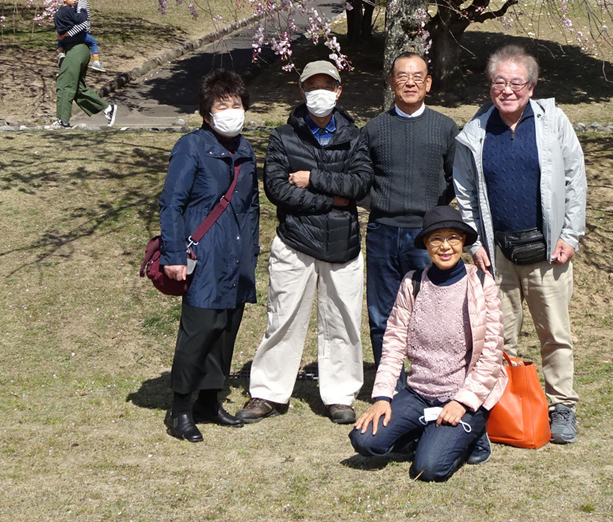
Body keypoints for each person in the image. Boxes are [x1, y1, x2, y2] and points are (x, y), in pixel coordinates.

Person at [452, 44, 586, 445]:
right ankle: (504, 407)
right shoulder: (475, 132)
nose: (507, 90)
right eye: (499, 82)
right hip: (496, 255)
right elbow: (464, 191)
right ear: (489, 85)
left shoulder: (553, 121)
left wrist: (570, 235)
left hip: (548, 251)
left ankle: (562, 406)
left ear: (531, 86)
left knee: (554, 333)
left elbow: (575, 179)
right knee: (498, 337)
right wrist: (474, 242)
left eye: (516, 82)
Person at [237, 60, 373, 425]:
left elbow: (360, 184)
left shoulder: (355, 136)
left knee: (343, 322)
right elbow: (277, 189)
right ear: (302, 91)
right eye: (312, 86)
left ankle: (340, 394)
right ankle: (268, 391)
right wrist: (333, 199)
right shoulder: (284, 136)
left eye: (327, 86)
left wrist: (312, 178)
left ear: (339, 91)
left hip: (342, 245)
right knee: (283, 318)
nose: (319, 93)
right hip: (295, 241)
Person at [349, 206, 506, 482]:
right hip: (418, 393)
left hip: (462, 395)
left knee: (430, 468)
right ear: (426, 243)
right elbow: (394, 343)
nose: (445, 246)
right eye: (436, 239)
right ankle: (429, 433)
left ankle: (473, 435)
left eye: (453, 238)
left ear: (463, 242)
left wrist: (463, 402)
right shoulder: (412, 283)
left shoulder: (482, 283)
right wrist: (383, 397)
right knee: (364, 440)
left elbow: (492, 355)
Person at [156, 69, 259, 442]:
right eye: (222, 105)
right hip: (203, 254)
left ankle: (210, 401)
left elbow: (251, 207)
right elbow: (172, 203)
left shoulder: (245, 150)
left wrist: (251, 252)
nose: (231, 112)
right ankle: (181, 408)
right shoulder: (192, 147)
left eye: (236, 104)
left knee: (225, 331)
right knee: (199, 332)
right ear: (206, 112)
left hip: (236, 255)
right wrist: (173, 255)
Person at [361, 53, 460, 366]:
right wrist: (380, 203)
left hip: (426, 235)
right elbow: (360, 179)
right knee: (382, 314)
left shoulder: (445, 128)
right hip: (382, 231)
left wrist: (435, 210)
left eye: (417, 77)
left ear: (428, 83)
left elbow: (457, 178)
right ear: (392, 82)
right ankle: (388, 382)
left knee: (430, 311)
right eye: (402, 76)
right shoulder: (374, 129)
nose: (410, 83)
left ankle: (428, 378)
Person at [52, 0, 117, 129]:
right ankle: (107, 108)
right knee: (78, 88)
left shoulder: (80, 2)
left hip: (77, 48)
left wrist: (66, 34)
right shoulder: (74, 4)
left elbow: (84, 23)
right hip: (75, 49)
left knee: (64, 84)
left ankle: (63, 121)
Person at [68, 0, 108, 73]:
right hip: (79, 33)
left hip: (77, 32)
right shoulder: (80, 1)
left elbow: (81, 20)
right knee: (94, 42)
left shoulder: (78, 1)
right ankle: (96, 61)